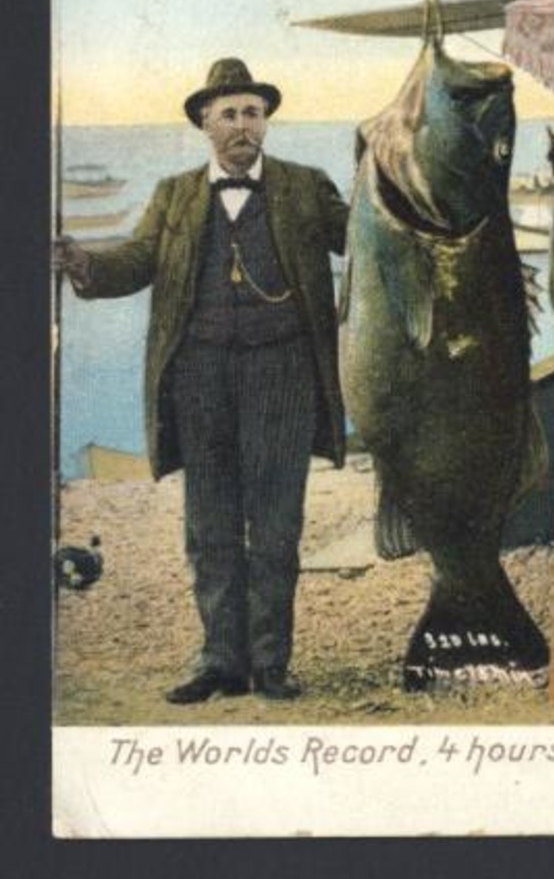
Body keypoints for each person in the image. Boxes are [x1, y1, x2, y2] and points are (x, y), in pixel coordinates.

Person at [54, 58, 348, 704]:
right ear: (203, 124)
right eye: (229, 114)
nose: (244, 125)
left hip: (283, 374)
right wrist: (82, 263)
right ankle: (219, 660)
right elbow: (134, 263)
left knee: (275, 526)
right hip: (198, 376)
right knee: (209, 526)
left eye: (253, 112)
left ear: (265, 121)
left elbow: (364, 237)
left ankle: (271, 663)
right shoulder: (175, 194)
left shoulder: (306, 186)